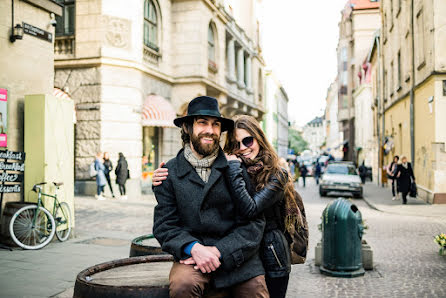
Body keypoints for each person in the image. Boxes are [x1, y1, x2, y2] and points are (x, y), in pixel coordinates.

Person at [153, 113, 300, 298]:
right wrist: (193, 248)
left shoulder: (242, 169)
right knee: (183, 285)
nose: (209, 130)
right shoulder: (170, 171)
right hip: (198, 256)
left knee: (258, 291)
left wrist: (219, 250)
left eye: (215, 125)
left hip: (258, 250)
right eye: (202, 123)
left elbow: (252, 216)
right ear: (187, 128)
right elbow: (164, 224)